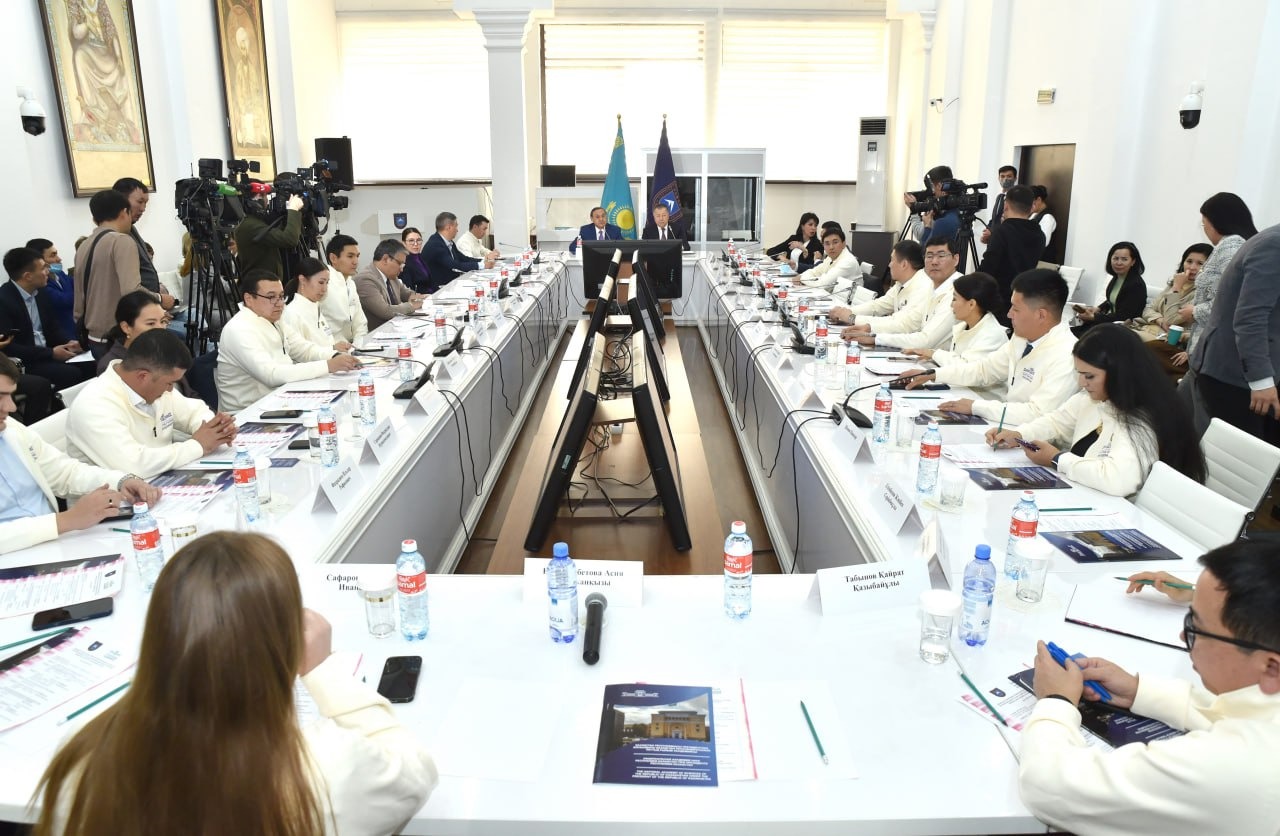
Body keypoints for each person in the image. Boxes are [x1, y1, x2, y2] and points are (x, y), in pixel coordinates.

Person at [31, 530, 438, 836]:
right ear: (282, 642)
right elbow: (414, 773)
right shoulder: (325, 765)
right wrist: (322, 669)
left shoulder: (85, 756)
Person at [1018, 539, 1280, 836]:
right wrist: (1137, 691)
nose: (1182, 636)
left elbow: (1051, 787)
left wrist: (1056, 700)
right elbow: (1248, 713)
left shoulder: (1235, 767)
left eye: (1196, 628)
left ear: (1271, 667)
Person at [987, 324, 1205, 496]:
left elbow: (1119, 480)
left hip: (1133, 513)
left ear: (1118, 372)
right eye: (1079, 373)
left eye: (1089, 376)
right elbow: (1056, 422)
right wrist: (1019, 435)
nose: (1082, 383)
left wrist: (1057, 459)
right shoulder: (1096, 397)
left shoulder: (1143, 418)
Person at [0, 352, 161, 555]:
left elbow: (64, 473)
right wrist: (64, 521)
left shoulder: (12, 429)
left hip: (52, 545)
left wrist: (121, 481)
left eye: (11, 395)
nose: (11, 407)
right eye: (0, 396)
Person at [903, 268, 1078, 424]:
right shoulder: (1021, 338)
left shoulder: (1067, 355)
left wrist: (975, 407)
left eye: (1016, 309)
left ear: (1041, 315)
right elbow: (984, 370)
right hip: (1007, 425)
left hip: (1036, 441)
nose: (1009, 314)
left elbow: (1037, 413)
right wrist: (933, 374)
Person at [67, 330, 237, 478]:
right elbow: (134, 466)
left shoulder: (155, 387)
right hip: (114, 500)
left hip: (161, 481)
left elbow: (193, 411)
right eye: (169, 383)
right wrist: (197, 445)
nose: (171, 389)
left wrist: (215, 429)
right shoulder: (94, 406)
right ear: (143, 376)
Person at [215, 270, 360, 412]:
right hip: (248, 412)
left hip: (281, 399)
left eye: (281, 296)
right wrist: (327, 365)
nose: (279, 304)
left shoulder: (274, 319)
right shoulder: (239, 329)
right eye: (271, 297)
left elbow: (303, 349)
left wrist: (334, 355)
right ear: (249, 299)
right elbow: (271, 374)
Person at [1175, 193, 1258, 431]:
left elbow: (1229, 302)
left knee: (1200, 416)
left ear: (1216, 222)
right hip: (1205, 348)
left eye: (1204, 224)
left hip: (1213, 349)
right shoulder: (1238, 245)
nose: (1205, 230)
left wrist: (1195, 311)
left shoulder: (1231, 248)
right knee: (1183, 408)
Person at [1191, 221, 1280, 439]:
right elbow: (1251, 317)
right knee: (1242, 454)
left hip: (1253, 371)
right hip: (1238, 377)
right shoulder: (1274, 245)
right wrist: (1261, 380)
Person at [73, 189, 154, 354]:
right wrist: (160, 299)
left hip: (93, 336)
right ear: (124, 212)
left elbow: (79, 295)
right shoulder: (122, 241)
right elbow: (132, 291)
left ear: (95, 218)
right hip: (118, 335)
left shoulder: (84, 246)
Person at [0, 247, 90, 391]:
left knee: (91, 365)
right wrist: (51, 353)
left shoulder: (41, 293)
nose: (48, 271)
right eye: (43, 268)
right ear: (28, 276)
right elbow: (9, 347)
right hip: (26, 360)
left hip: (48, 353)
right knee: (70, 374)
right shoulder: (4, 301)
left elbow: (53, 328)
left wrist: (69, 343)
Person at [837, 239, 950, 342]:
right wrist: (847, 312)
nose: (889, 265)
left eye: (892, 260)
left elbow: (903, 324)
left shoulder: (924, 286)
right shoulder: (901, 284)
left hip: (911, 344)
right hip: (904, 342)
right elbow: (878, 306)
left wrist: (854, 319)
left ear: (904, 264)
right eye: (929, 256)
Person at [1131, 244, 1211, 377]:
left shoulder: (1202, 294)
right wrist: (1159, 320)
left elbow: (1172, 319)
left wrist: (1177, 288)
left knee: (1124, 341)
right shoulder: (1173, 283)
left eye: (1200, 263)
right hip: (1149, 328)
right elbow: (1148, 309)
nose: (1192, 267)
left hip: (1169, 340)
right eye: (1189, 261)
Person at [903, 272, 1010, 366]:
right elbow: (956, 360)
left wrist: (933, 354)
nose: (951, 305)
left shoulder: (991, 334)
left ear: (971, 304)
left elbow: (967, 369)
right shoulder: (963, 327)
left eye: (954, 299)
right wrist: (932, 356)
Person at [975, 185, 1044, 323]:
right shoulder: (1039, 234)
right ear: (1031, 207)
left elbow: (988, 267)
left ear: (1005, 205)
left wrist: (972, 284)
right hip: (1024, 297)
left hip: (999, 300)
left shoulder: (1002, 232)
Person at [113, 176, 176, 312]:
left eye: (146, 203)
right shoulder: (119, 238)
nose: (143, 208)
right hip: (135, 310)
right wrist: (160, 299)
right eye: (140, 202)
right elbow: (130, 287)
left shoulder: (131, 229)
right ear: (122, 201)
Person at [1073, 242, 1147, 335]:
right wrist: (1097, 308)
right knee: (1072, 327)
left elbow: (1124, 316)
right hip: (1111, 322)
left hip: (1123, 328)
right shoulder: (1117, 277)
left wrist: (1094, 317)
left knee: (1078, 334)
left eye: (1124, 259)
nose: (1119, 263)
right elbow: (1112, 300)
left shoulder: (1136, 284)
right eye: (1115, 258)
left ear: (1133, 262)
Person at [355, 240, 429, 330]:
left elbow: (407, 294)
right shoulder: (365, 279)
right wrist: (411, 305)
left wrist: (423, 297)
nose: (401, 269)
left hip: (396, 328)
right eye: (400, 263)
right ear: (385, 259)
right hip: (378, 333)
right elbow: (385, 311)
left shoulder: (391, 276)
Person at [283, 257, 352, 352]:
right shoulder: (292, 313)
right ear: (302, 280)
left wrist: (336, 347)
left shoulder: (315, 306)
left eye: (327, 283)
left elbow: (324, 343)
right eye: (321, 282)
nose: (325, 289)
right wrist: (332, 349)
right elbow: (298, 353)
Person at [95, 289, 169, 375]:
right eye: (151, 323)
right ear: (126, 327)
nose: (160, 328)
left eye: (163, 321)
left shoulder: (163, 352)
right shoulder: (112, 367)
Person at [233, 193, 305, 279]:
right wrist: (293, 210)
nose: (267, 201)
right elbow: (290, 239)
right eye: (263, 196)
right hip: (260, 283)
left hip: (264, 281)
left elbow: (278, 234)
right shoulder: (251, 226)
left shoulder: (253, 222)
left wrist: (286, 215)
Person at [423, 212, 493, 292]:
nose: (457, 230)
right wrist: (481, 265)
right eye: (456, 226)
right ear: (448, 227)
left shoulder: (449, 242)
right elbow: (454, 265)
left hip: (450, 285)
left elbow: (463, 258)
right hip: (438, 289)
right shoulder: (435, 244)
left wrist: (483, 261)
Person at [320, 234, 368, 345]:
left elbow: (360, 323)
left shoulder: (351, 283)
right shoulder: (323, 284)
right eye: (350, 256)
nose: (355, 261)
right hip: (332, 347)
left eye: (357, 256)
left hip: (353, 346)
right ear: (333, 258)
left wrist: (358, 345)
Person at [25, 238, 76, 340]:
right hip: (62, 338)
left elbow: (77, 285)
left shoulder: (59, 273)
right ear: (39, 261)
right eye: (53, 255)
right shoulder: (40, 285)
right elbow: (65, 300)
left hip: (77, 332)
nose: (59, 259)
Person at [904, 165, 961, 245]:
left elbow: (925, 247)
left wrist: (914, 211)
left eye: (932, 188)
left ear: (939, 186)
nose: (932, 193)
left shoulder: (942, 221)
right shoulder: (959, 212)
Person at [797, 227, 861, 294]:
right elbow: (815, 271)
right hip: (835, 296)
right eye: (827, 244)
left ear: (843, 244)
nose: (831, 247)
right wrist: (802, 276)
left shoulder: (848, 261)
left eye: (835, 242)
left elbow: (823, 284)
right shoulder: (830, 258)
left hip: (849, 300)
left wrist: (802, 278)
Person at [979, 165, 1017, 244]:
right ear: (998, 178)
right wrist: (987, 231)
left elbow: (1011, 223)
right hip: (994, 241)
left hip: (1005, 242)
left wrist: (992, 233)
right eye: (1002, 176)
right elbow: (995, 218)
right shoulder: (1000, 196)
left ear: (1015, 178)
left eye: (1009, 176)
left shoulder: (1016, 197)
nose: (1005, 179)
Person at [399, 227, 432, 293]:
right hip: (419, 297)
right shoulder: (404, 262)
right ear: (404, 243)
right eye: (411, 241)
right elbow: (409, 291)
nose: (416, 244)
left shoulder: (421, 257)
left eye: (418, 240)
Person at [1029, 185, 1057, 256]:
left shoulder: (1048, 218)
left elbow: (1043, 242)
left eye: (1029, 201)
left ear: (1038, 200)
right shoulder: (1034, 215)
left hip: (1043, 259)